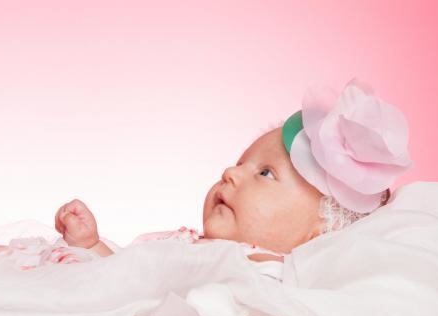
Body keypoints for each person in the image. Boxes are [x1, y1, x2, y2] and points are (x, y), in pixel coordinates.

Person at [54, 78, 408, 265]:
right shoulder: (184, 246)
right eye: (240, 163)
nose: (230, 173)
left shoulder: (264, 274)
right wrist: (91, 246)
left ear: (316, 235)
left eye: (265, 173)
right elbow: (124, 287)